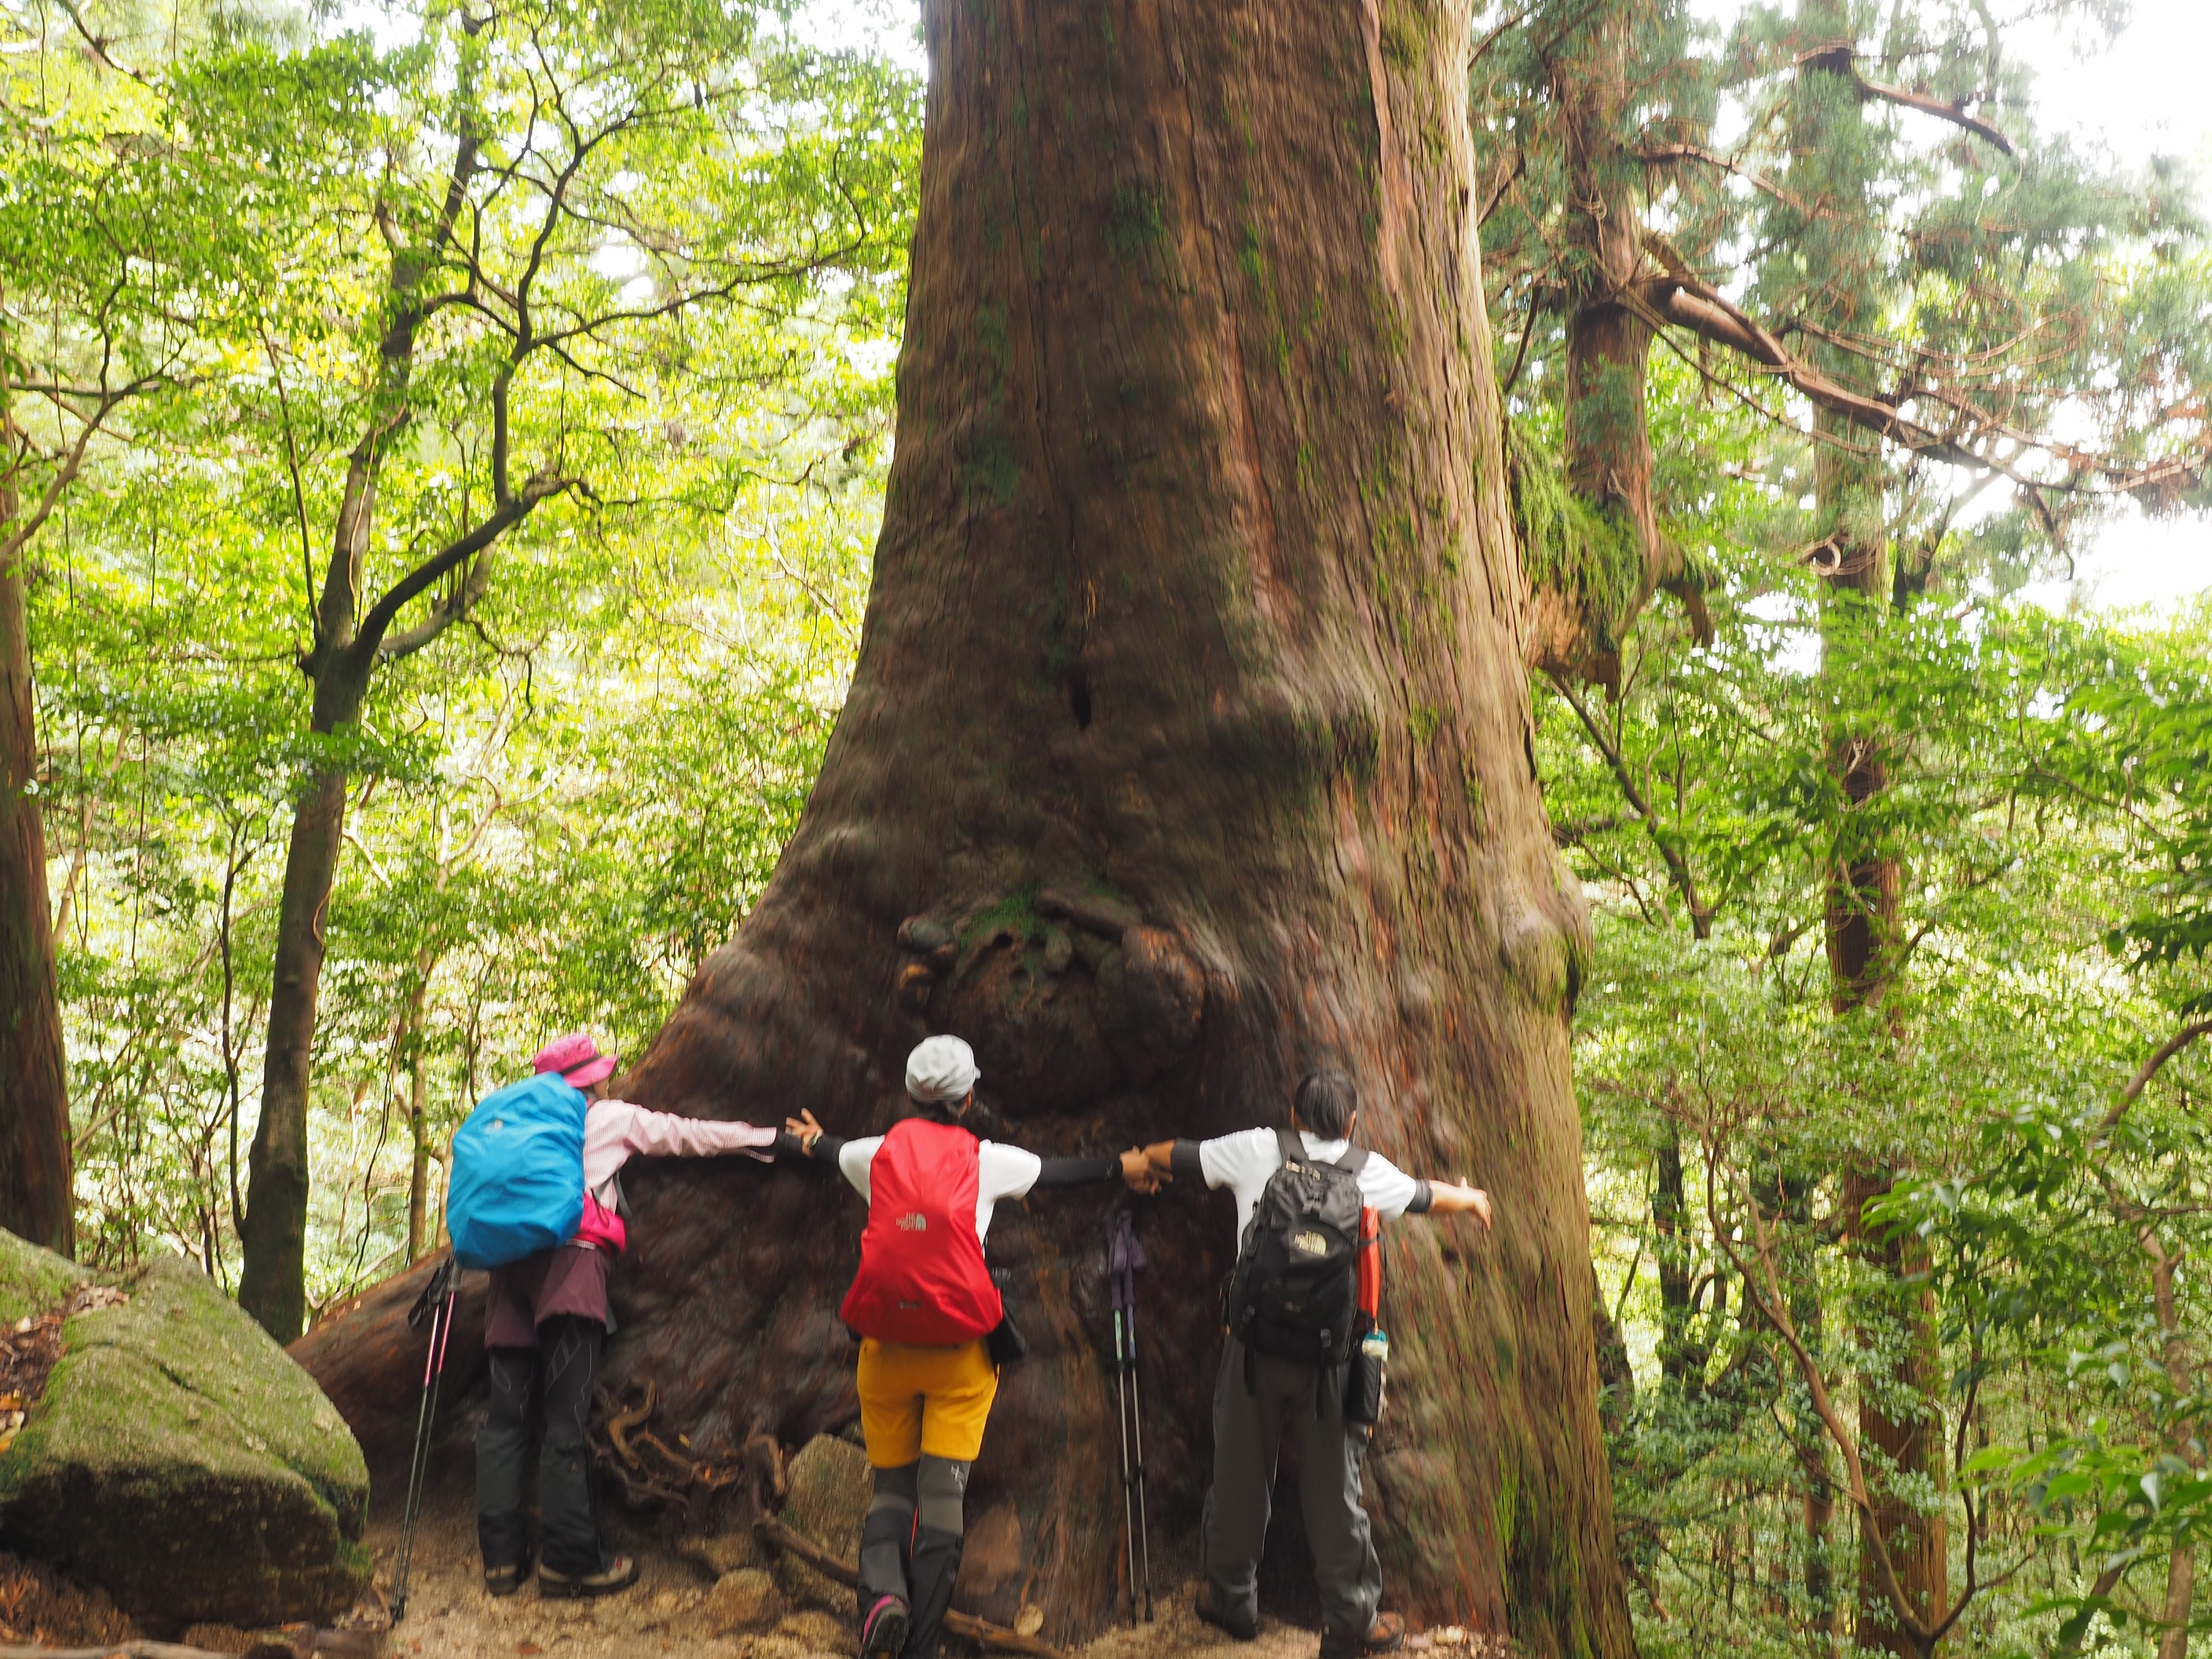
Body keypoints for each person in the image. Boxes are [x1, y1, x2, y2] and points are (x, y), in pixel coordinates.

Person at [783, 1034, 1157, 1659]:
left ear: (910, 1092)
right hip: (961, 1351)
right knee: (941, 1498)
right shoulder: (987, 1161)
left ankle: (882, 1600)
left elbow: (830, 1150)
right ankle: (923, 1644)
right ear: (969, 1095)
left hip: (886, 1349)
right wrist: (1127, 1165)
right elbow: (1062, 1173)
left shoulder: (872, 1155)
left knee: (892, 1493)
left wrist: (816, 1140)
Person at [1137, 1070, 1493, 1658]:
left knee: (1240, 1477)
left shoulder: (1258, 1149)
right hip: (1329, 1360)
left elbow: (1177, 1155)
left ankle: (1231, 1600)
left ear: (1295, 1115)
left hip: (1252, 1349)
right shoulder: (1367, 1172)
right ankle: (1352, 1623)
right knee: (1335, 1490)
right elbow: (1428, 1197)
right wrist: (1473, 1197)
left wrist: (1140, 1161)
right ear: (1350, 1122)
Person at [476, 1032, 782, 1600]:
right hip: (572, 1264)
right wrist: (773, 1141)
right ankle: (570, 1563)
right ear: (590, 1078)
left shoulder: (516, 1123)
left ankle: (500, 1558)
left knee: (504, 1417)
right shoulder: (610, 1117)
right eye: (602, 1071)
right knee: (565, 1418)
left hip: (506, 1273)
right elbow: (689, 1137)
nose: (608, 1078)